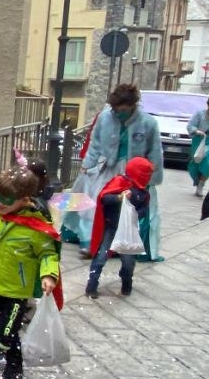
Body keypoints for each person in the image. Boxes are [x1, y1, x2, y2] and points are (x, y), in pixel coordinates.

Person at [0, 167, 60, 379]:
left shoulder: (35, 227)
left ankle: (13, 368)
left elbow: (48, 253)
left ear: (24, 199)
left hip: (15, 291)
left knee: (7, 334)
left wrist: (48, 274)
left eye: (6, 200)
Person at [62, 84, 164, 261]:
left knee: (125, 207)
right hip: (106, 167)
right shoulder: (104, 117)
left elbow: (154, 151)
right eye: (116, 109)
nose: (118, 112)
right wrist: (87, 164)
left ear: (133, 105)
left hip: (131, 172)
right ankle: (89, 241)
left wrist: (151, 177)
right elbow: (95, 143)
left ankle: (117, 243)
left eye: (123, 109)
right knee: (92, 202)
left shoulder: (148, 123)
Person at [85, 157, 154, 299]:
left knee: (128, 261)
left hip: (128, 231)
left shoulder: (143, 192)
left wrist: (134, 213)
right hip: (110, 227)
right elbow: (104, 198)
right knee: (101, 256)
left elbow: (144, 210)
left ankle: (127, 283)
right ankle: (91, 285)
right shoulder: (119, 182)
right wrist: (119, 197)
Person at [187, 94, 209, 196]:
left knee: (206, 161)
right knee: (194, 164)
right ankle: (196, 180)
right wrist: (197, 131)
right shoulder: (199, 114)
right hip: (198, 140)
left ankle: (201, 185)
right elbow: (190, 125)